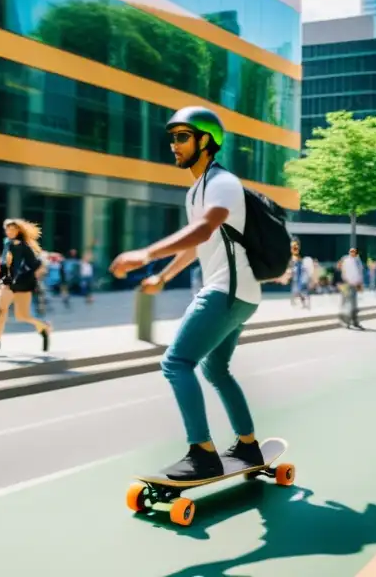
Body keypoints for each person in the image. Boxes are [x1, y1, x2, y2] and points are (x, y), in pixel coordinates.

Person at [109, 106, 263, 482]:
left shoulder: (222, 182)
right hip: (239, 292)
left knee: (176, 363)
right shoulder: (197, 190)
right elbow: (196, 246)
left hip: (227, 290)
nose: (173, 145)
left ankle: (202, 453)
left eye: (182, 137)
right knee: (215, 368)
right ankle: (248, 445)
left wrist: (145, 254)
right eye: (172, 138)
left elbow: (205, 230)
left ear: (205, 141)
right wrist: (162, 277)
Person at [0, 219, 52, 353]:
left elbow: (36, 265)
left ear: (18, 231)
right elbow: (4, 264)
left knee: (22, 316)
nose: (10, 232)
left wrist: (32, 277)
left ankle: (43, 326)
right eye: (8, 229)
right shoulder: (7, 243)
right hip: (9, 283)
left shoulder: (22, 246)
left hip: (23, 283)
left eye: (13, 229)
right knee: (1, 310)